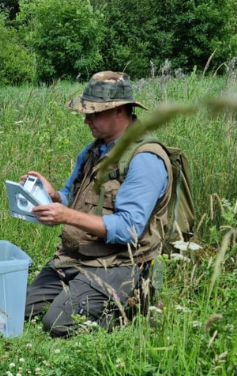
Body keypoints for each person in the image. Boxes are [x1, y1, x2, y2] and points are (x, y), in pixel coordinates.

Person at [23, 71, 173, 337]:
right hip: (76, 257)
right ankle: (80, 294)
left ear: (120, 111)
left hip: (119, 264)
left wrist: (66, 216)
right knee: (20, 308)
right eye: (86, 112)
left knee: (57, 322)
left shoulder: (145, 158)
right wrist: (54, 197)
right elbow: (73, 196)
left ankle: (130, 308)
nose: (86, 120)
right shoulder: (94, 150)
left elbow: (130, 228)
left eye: (94, 113)